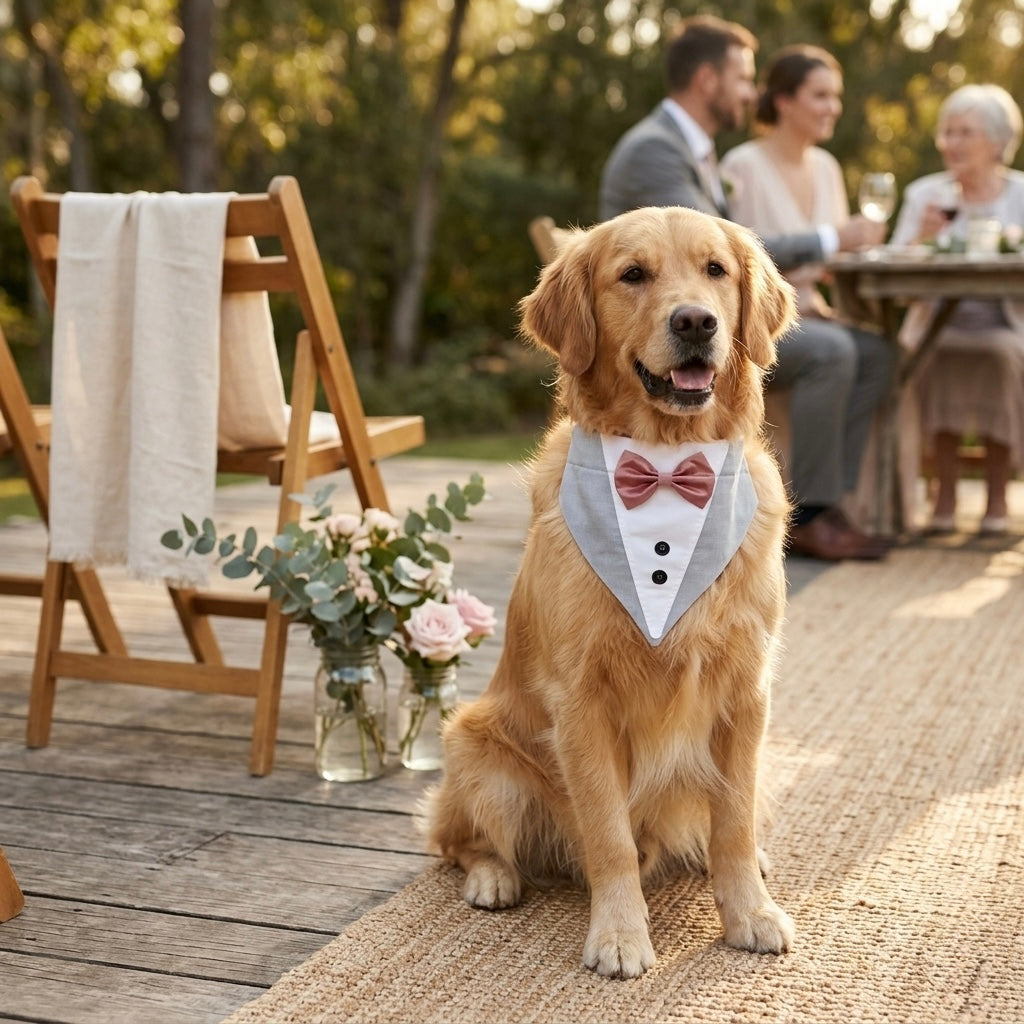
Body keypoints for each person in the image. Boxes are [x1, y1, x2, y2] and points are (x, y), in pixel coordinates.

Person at [599, 16, 894, 561]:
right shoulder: (656, 150)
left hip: (700, 323)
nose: (753, 93)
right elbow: (711, 258)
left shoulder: (697, 151)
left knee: (874, 350)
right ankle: (810, 515)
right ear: (708, 80)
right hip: (652, 331)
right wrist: (833, 238)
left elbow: (725, 263)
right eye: (744, 78)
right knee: (830, 351)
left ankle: (829, 501)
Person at [889, 83, 1024, 535]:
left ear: (998, 141)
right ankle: (943, 492)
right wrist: (920, 241)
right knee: (931, 356)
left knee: (1005, 356)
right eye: (947, 133)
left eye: (965, 132)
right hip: (934, 326)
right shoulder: (925, 195)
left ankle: (997, 497)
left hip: (1008, 324)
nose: (951, 143)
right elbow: (892, 272)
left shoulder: (1020, 195)